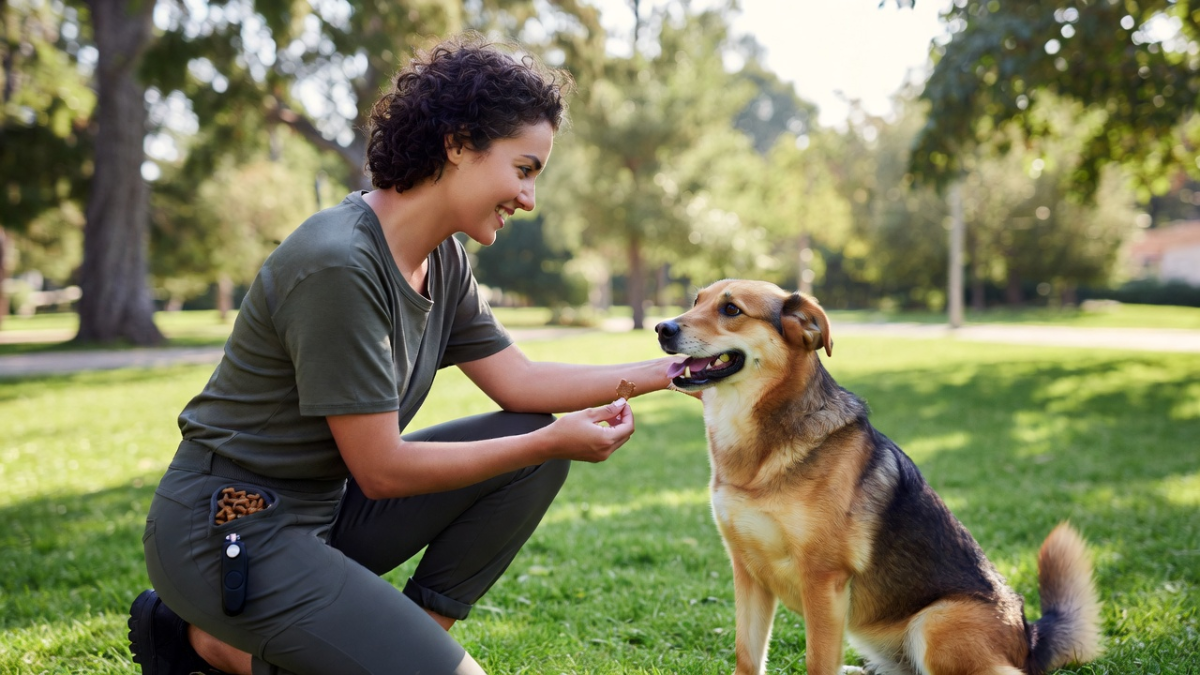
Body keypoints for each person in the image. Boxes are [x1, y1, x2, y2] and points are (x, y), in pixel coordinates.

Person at [128, 33, 679, 675]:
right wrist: (553, 442)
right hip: (229, 526)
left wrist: (672, 371)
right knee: (536, 451)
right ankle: (196, 642)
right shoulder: (339, 262)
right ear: (458, 144)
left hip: (326, 513)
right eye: (524, 170)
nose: (529, 198)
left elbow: (521, 383)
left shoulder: (442, 259)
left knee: (529, 449)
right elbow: (383, 470)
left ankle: (388, 644)